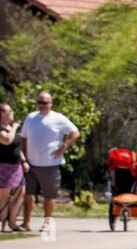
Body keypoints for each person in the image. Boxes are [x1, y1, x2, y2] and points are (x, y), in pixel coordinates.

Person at [20, 91, 79, 233]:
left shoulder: (58, 118)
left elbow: (75, 132)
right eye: (40, 102)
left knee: (49, 196)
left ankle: (47, 222)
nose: (42, 105)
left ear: (51, 104)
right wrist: (23, 157)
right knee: (28, 194)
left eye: (45, 102)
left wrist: (64, 146)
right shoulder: (31, 118)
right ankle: (26, 222)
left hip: (50, 164)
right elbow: (23, 138)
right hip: (31, 164)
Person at [0, 103, 29, 232]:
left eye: (11, 111)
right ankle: (4, 224)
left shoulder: (11, 128)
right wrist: (15, 128)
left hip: (17, 166)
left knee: (20, 194)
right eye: (8, 111)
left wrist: (24, 160)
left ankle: (12, 222)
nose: (11, 113)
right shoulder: (2, 129)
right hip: (4, 166)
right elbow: (6, 140)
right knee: (5, 196)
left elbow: (17, 147)